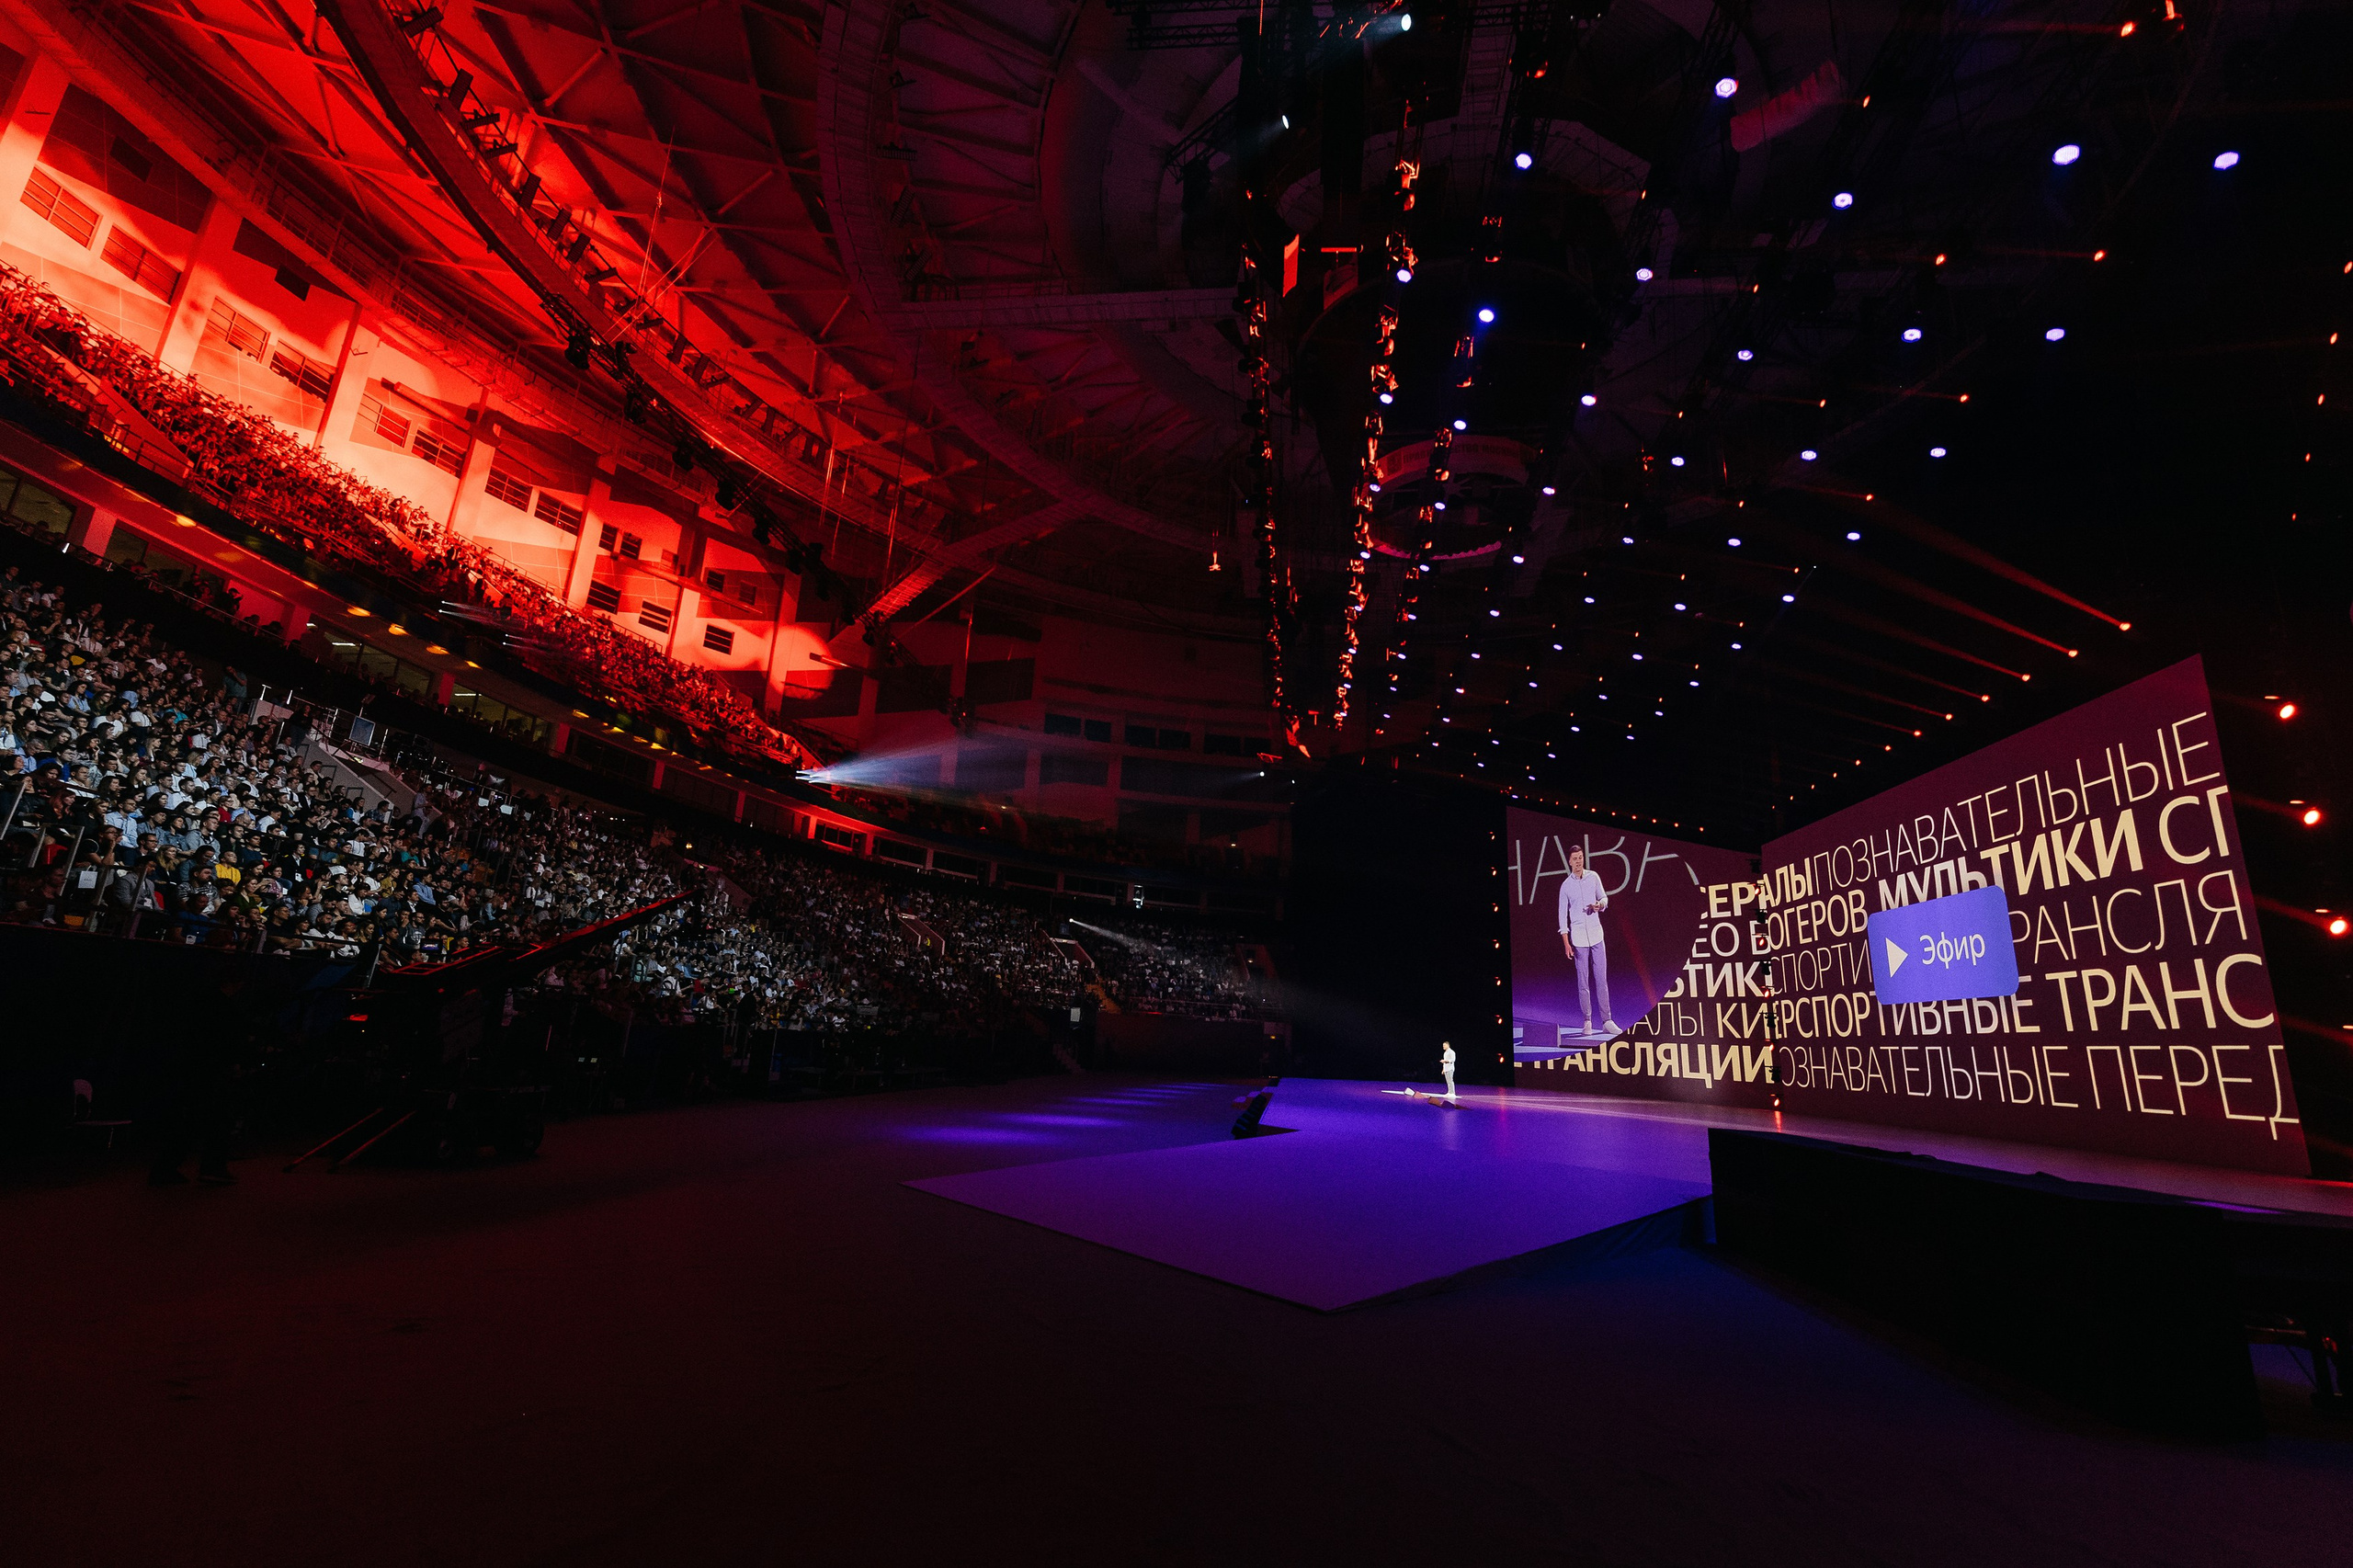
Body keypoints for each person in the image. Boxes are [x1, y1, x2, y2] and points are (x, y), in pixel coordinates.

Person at [1555, 844, 1619, 1037]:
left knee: (1602, 980)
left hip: (1597, 935)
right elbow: (1561, 916)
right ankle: (1588, 1021)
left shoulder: (1594, 877)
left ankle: (1607, 1020)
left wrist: (1600, 904)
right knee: (1583, 983)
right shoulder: (1566, 886)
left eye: (1581, 857)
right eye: (1575, 858)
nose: (1578, 861)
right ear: (1569, 861)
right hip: (1579, 940)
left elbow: (1605, 898)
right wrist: (1566, 942)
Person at [1438, 1038, 1457, 1103]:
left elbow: (1453, 1060)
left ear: (1448, 1045)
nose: (1443, 1046)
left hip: (1450, 1068)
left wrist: (1446, 1061)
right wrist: (1443, 1069)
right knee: (1448, 1081)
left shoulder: (1451, 1052)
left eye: (1444, 1045)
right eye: (1443, 1045)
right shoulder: (1445, 1053)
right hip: (1446, 1068)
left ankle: (1452, 1093)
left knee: (1450, 1080)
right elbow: (1444, 1062)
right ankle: (1449, 1092)